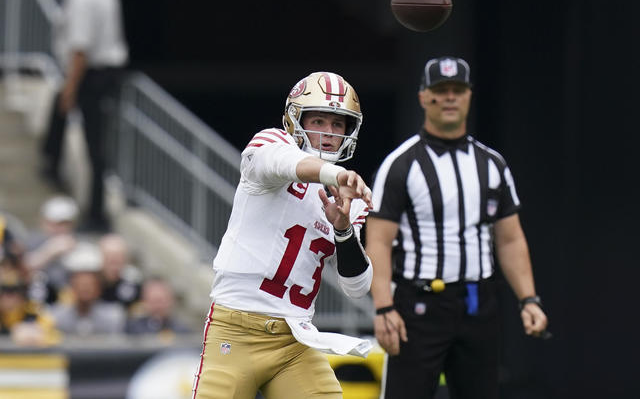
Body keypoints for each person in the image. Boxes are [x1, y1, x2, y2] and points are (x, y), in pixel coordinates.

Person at [366, 56, 549, 399]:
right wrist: (384, 307)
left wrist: (529, 299)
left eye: (457, 90)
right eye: (440, 90)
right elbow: (378, 240)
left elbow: (509, 239)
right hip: (417, 308)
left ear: (469, 96)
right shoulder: (401, 164)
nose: (449, 97)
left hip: (477, 304)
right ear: (423, 97)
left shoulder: (492, 164)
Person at [192, 72, 374, 399]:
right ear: (295, 120)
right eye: (318, 120)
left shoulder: (348, 199)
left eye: (338, 124)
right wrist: (334, 174)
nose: (329, 133)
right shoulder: (273, 144)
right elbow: (280, 161)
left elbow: (357, 288)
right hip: (236, 328)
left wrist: (343, 230)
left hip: (295, 340)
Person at [41, 0, 129, 232]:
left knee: (95, 145)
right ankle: (51, 163)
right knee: (90, 139)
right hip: (102, 73)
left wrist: (70, 87)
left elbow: (80, 47)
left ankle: (96, 213)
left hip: (92, 74)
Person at [49, 241, 126, 336]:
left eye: (90, 285)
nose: (85, 289)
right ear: (72, 287)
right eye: (80, 285)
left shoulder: (113, 317)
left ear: (98, 287)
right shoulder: (55, 318)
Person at [126, 277, 190, 335]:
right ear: (144, 301)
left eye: (161, 301)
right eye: (153, 301)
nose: (158, 306)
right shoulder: (133, 328)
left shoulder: (182, 329)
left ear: (171, 301)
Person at [98, 233, 142, 310]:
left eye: (118, 260)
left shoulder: (133, 284)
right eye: (110, 260)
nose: (114, 266)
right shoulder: (93, 283)